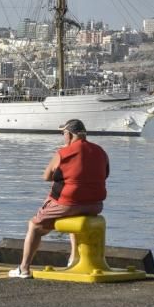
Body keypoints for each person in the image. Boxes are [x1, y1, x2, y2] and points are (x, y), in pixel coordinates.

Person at [9, 118, 110, 278]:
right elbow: (105, 174)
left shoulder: (63, 153)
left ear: (69, 134)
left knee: (34, 226)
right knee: (75, 216)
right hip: (95, 205)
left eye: (63, 133)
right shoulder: (100, 151)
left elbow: (47, 176)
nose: (63, 137)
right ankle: (73, 259)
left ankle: (24, 268)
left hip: (68, 203)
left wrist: (62, 155)